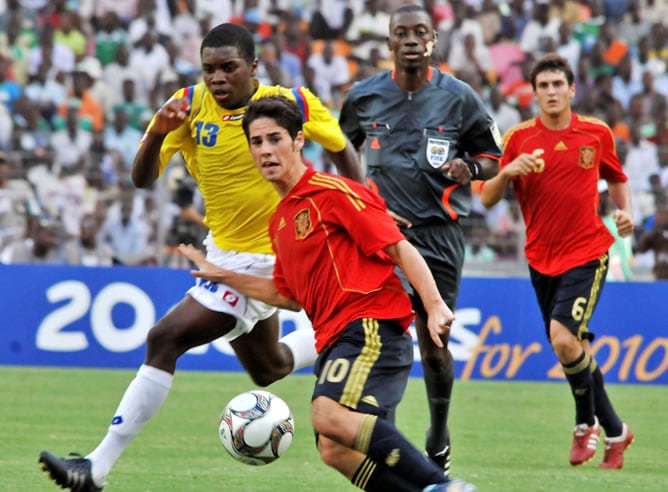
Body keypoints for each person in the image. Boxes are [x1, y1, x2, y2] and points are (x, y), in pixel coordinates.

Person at [38, 23, 363, 492]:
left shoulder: (290, 102)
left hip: (270, 259)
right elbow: (142, 178)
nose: (217, 78)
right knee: (268, 368)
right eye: (209, 68)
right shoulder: (187, 106)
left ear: (253, 67)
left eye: (229, 67)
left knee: (165, 337)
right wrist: (158, 134)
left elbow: (341, 150)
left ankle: (96, 467)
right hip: (225, 253)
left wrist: (358, 210)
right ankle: (324, 333)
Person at [178, 94, 475, 492]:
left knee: (328, 416)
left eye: (275, 139)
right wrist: (224, 274)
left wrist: (435, 305)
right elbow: (288, 295)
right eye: (257, 142)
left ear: (299, 140)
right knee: (335, 449)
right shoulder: (280, 221)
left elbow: (398, 247)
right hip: (336, 338)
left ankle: (442, 485)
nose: (266, 150)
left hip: (370, 326)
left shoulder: (332, 192)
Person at [338, 3, 502, 478]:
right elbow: (340, 149)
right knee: (386, 338)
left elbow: (492, 155)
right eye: (401, 33)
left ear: (433, 41)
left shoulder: (460, 97)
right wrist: (360, 203)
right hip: (382, 238)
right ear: (389, 42)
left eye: (420, 33)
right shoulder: (362, 97)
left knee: (433, 344)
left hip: (439, 236)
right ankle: (381, 432)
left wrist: (469, 168)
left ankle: (438, 432)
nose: (411, 40)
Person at [480, 54, 635, 469]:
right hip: (540, 258)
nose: (550, 92)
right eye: (542, 86)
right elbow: (486, 197)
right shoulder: (518, 139)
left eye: (556, 84)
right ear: (534, 93)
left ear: (571, 90)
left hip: (587, 251)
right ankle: (617, 432)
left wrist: (624, 213)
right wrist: (507, 172)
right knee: (575, 347)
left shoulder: (596, 133)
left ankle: (585, 424)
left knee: (564, 339)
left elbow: (617, 178)